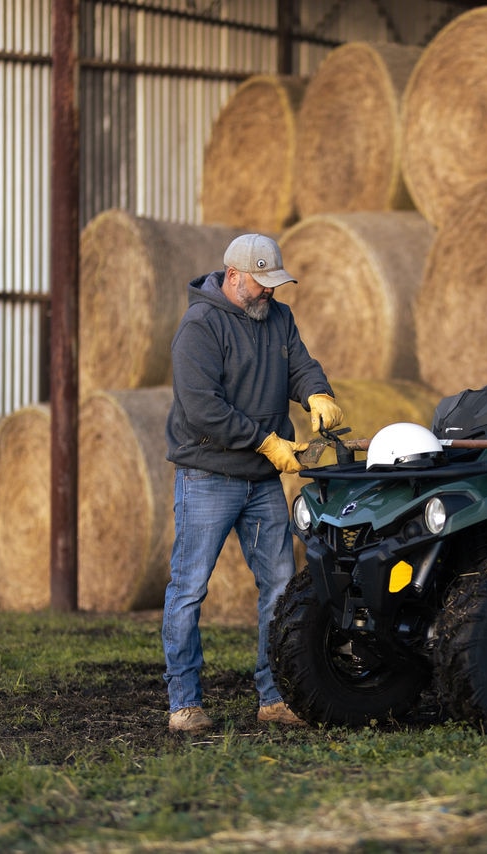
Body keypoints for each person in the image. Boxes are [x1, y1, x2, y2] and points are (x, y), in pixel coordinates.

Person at [161, 232, 345, 733]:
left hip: (261, 483)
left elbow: (300, 366)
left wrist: (316, 394)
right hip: (208, 477)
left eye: (274, 282)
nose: (270, 291)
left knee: (281, 588)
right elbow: (204, 409)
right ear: (234, 276)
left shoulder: (278, 318)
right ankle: (184, 701)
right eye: (261, 282)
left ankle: (274, 695)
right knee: (189, 589)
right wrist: (266, 442)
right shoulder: (199, 327)